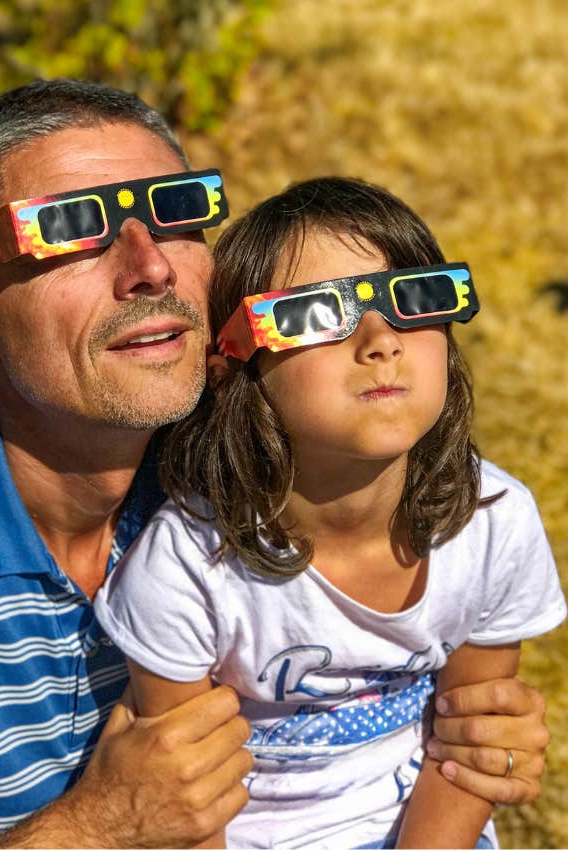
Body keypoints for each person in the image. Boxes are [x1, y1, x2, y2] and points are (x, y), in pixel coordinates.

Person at [0, 82, 555, 849]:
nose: (148, 265)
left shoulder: (255, 446)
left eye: (178, 211)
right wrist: (96, 827)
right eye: (68, 231)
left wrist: (471, 734)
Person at [94, 176, 567, 848]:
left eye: (413, 299)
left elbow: (474, 749)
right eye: (317, 312)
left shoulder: (492, 522)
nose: (380, 340)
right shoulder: (188, 565)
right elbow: (182, 803)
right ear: (232, 364)